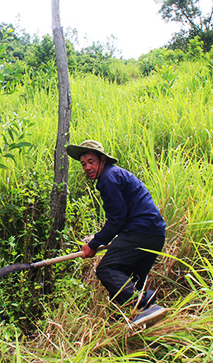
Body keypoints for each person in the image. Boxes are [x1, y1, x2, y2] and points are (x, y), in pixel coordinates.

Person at [66, 139, 167, 325]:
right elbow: (120, 218)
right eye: (83, 164)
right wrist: (99, 241)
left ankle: (144, 304)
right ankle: (144, 322)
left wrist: (93, 244)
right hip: (155, 234)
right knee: (131, 282)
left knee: (107, 269)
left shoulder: (108, 179)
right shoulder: (115, 175)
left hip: (140, 231)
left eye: (91, 161)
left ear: (102, 160)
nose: (87, 167)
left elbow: (117, 219)